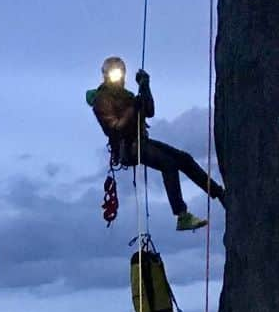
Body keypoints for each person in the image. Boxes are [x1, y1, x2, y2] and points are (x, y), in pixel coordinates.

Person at [87, 56, 225, 231]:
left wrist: (145, 86)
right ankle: (181, 215)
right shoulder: (102, 100)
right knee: (168, 163)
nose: (119, 78)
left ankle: (218, 193)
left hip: (140, 142)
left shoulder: (127, 96)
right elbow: (115, 128)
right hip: (127, 148)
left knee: (184, 158)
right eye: (115, 74)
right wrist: (132, 109)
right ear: (106, 75)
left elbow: (150, 111)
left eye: (120, 73)